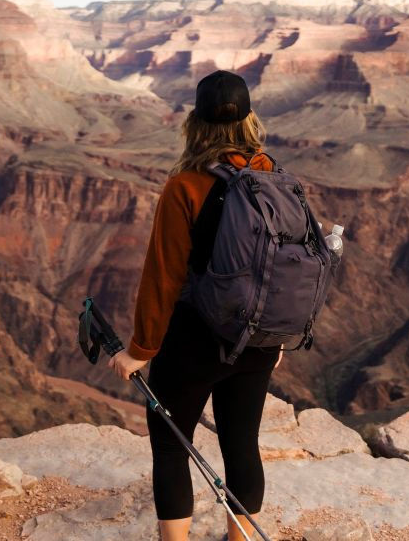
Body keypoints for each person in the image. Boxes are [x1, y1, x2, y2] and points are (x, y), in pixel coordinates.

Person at [108, 70, 280, 541]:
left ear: (195, 123)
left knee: (169, 446)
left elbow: (161, 278)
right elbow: (289, 264)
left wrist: (140, 350)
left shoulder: (186, 185)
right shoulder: (274, 177)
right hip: (258, 338)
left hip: (195, 343)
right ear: (249, 119)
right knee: (242, 443)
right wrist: (277, 335)